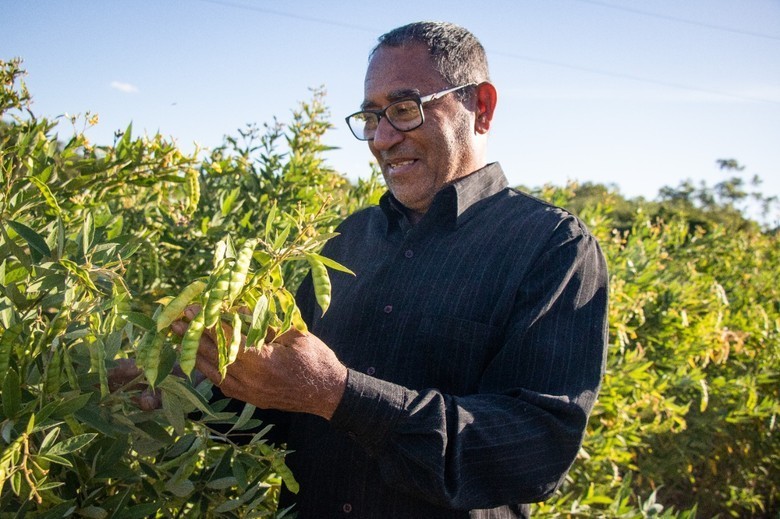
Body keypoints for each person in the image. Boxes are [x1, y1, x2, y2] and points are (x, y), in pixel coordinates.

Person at [188, 21, 609, 518]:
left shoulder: (552, 247)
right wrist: (187, 385)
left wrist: (339, 394)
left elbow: (535, 450)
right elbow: (281, 409)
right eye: (370, 117)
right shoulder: (348, 240)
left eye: (405, 110)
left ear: (482, 107)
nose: (382, 138)